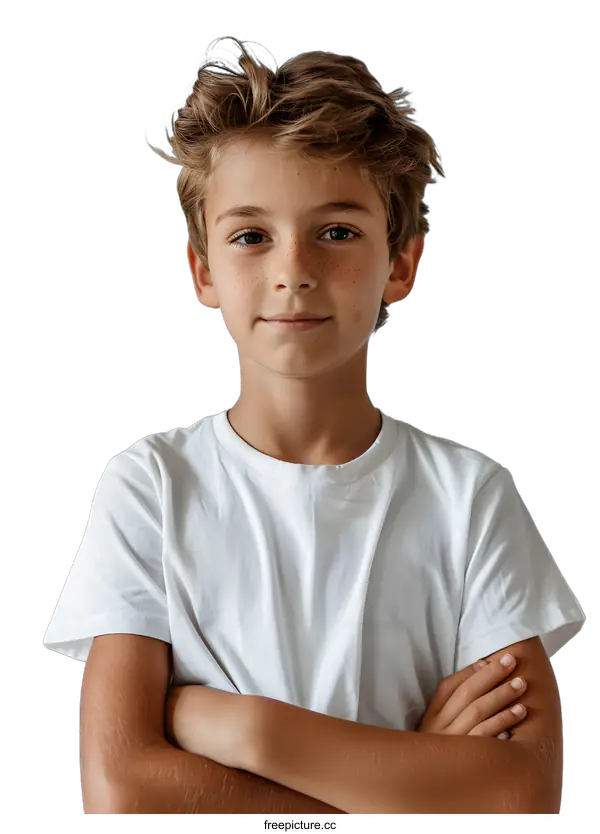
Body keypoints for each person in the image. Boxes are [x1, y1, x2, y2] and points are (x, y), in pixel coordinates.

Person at [43, 36, 585, 778]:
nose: (293, 271)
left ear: (401, 263)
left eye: (337, 232)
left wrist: (250, 732)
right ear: (202, 273)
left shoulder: (470, 500)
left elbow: (522, 793)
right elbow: (123, 792)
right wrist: (417, 776)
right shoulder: (151, 488)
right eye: (250, 236)